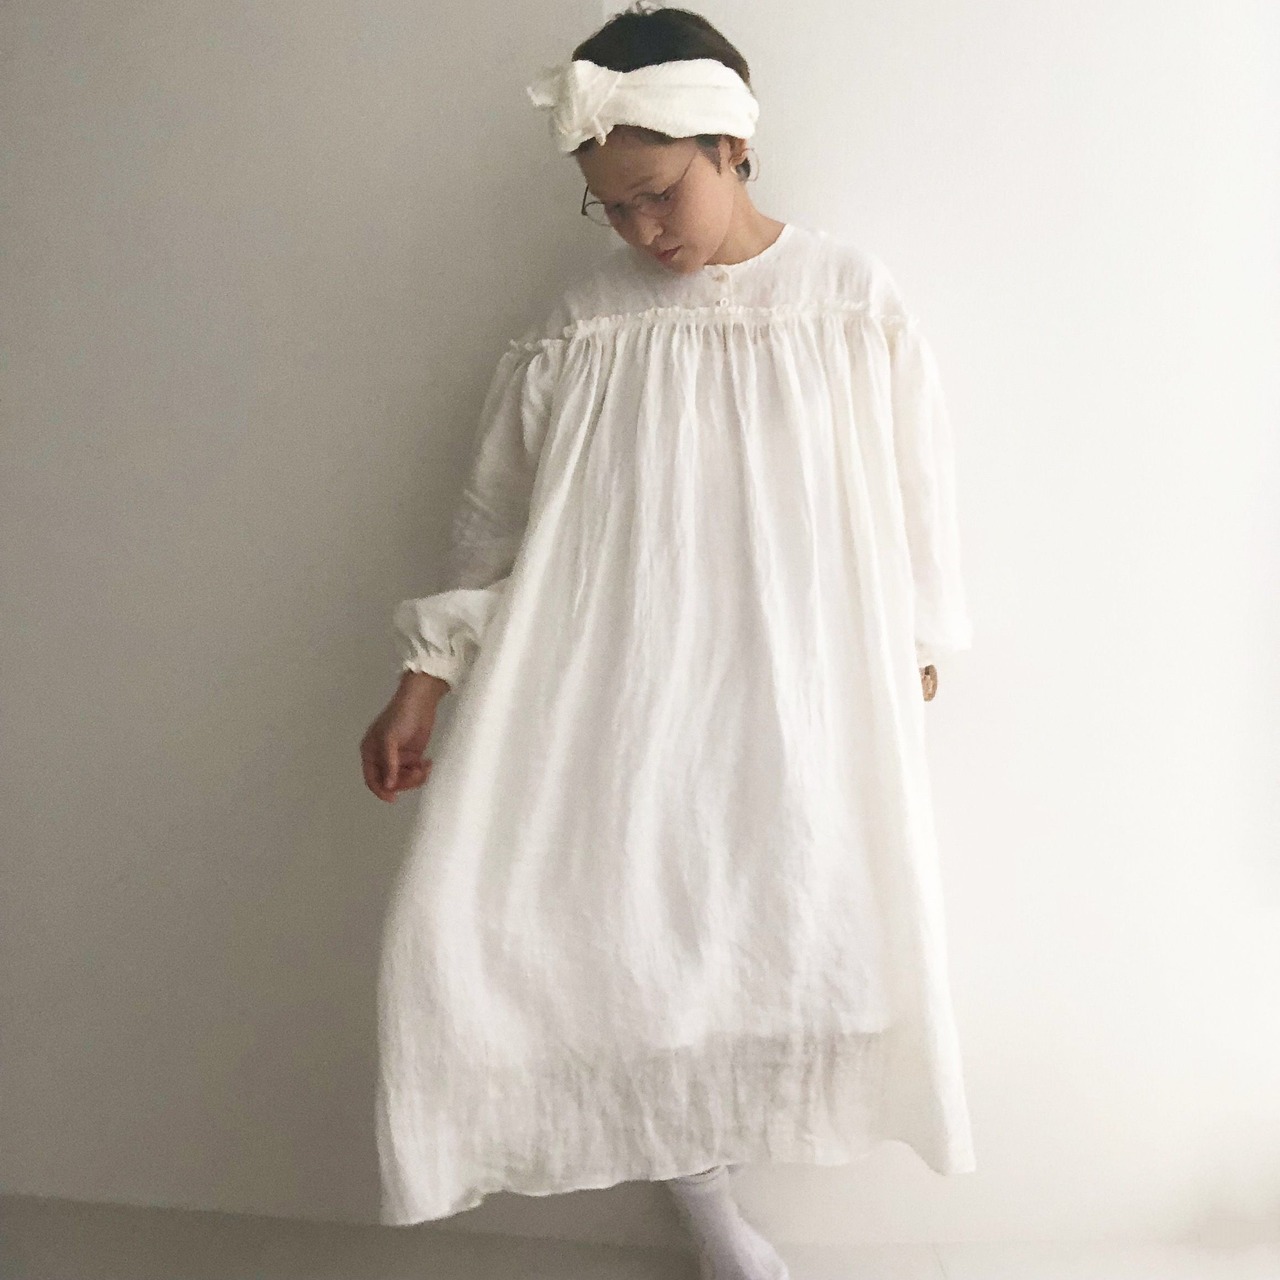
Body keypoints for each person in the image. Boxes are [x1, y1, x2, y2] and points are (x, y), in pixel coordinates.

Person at [359, 5, 975, 1275]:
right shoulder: (583, 322)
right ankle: (705, 1210)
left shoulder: (846, 299)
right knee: (595, 947)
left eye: (658, 193)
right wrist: (425, 675)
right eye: (612, 207)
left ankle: (726, 1182)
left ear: (731, 148)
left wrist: (916, 635)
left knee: (792, 929)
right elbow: (492, 525)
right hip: (619, 680)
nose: (642, 230)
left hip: (798, 680)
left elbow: (916, 485)